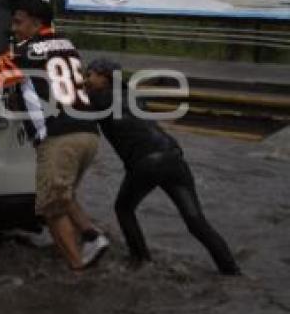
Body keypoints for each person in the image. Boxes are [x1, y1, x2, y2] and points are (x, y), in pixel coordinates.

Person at [0, 0, 108, 271]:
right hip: (88, 133)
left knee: (50, 208)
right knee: (63, 196)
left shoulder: (24, 51)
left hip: (59, 137)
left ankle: (78, 268)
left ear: (36, 23)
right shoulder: (67, 44)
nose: (13, 28)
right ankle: (92, 236)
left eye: (18, 22)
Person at [85, 58, 241, 275]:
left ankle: (140, 260)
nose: (87, 80)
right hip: (173, 157)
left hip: (146, 163)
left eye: (91, 74)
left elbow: (72, 109)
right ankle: (232, 271)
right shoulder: (134, 95)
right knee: (196, 222)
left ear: (105, 77)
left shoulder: (98, 98)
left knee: (123, 208)